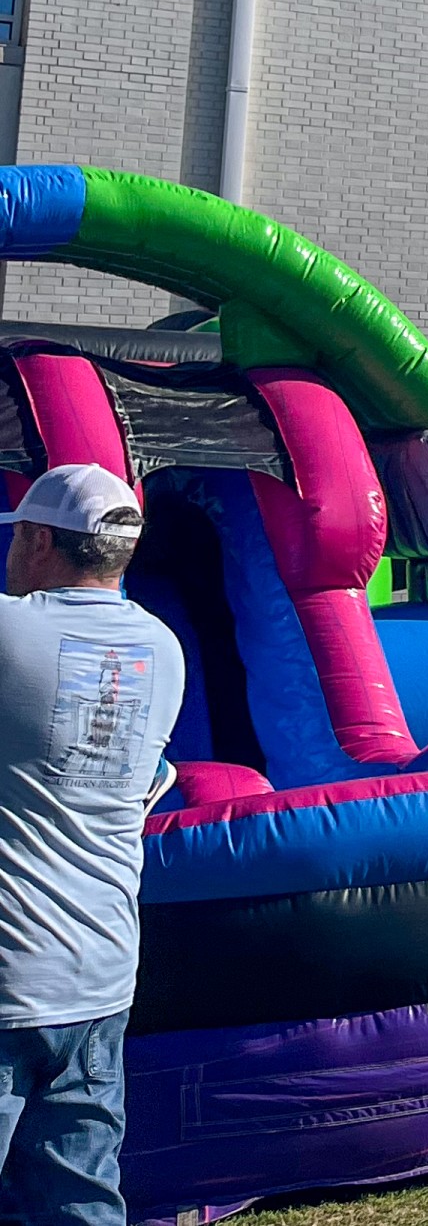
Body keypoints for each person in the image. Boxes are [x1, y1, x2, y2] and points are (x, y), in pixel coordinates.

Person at [0, 463, 184, 1224]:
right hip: (100, 974)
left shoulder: (12, 631)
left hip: (10, 980)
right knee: (79, 1202)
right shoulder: (164, 650)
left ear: (41, 540)